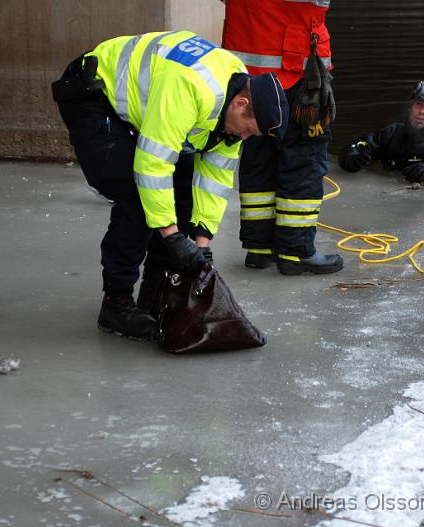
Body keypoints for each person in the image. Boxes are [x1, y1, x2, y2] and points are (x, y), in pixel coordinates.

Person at [53, 30, 289, 341]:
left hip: (143, 105)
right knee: (137, 194)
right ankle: (116, 303)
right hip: (93, 94)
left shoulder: (238, 100)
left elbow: (214, 180)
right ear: (240, 104)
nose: (245, 138)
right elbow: (152, 166)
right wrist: (172, 236)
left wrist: (201, 244)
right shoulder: (191, 87)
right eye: (249, 130)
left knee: (183, 193)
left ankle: (153, 297)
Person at [221, 0, 344, 275]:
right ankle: (296, 250)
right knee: (304, 161)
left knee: (258, 158)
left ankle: (259, 247)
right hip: (296, 72)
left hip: (247, 77)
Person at [338, 75, 424, 183]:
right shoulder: (392, 133)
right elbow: (355, 148)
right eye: (418, 104)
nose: (421, 111)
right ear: (411, 106)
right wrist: (352, 158)